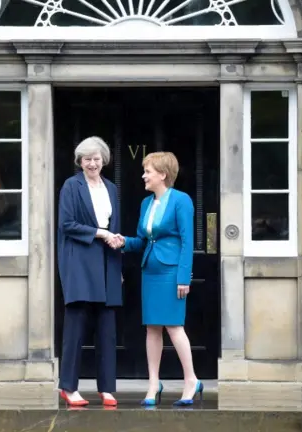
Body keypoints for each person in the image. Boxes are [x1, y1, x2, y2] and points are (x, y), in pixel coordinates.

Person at [109, 151, 203, 406]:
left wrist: (184, 277)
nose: (144, 176)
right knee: (152, 328)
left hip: (172, 272)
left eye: (148, 171)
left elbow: (187, 242)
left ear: (163, 174)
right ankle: (153, 383)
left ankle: (191, 380)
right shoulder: (146, 203)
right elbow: (143, 240)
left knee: (174, 326)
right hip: (149, 270)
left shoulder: (181, 201)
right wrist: (123, 242)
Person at [56, 136, 123, 407]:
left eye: (96, 158)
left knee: (107, 328)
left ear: (103, 160)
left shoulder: (111, 187)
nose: (92, 163)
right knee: (76, 326)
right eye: (87, 159)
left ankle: (107, 388)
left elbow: (114, 224)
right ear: (80, 162)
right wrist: (101, 233)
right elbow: (67, 224)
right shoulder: (71, 186)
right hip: (80, 261)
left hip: (108, 261)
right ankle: (68, 387)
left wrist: (118, 261)